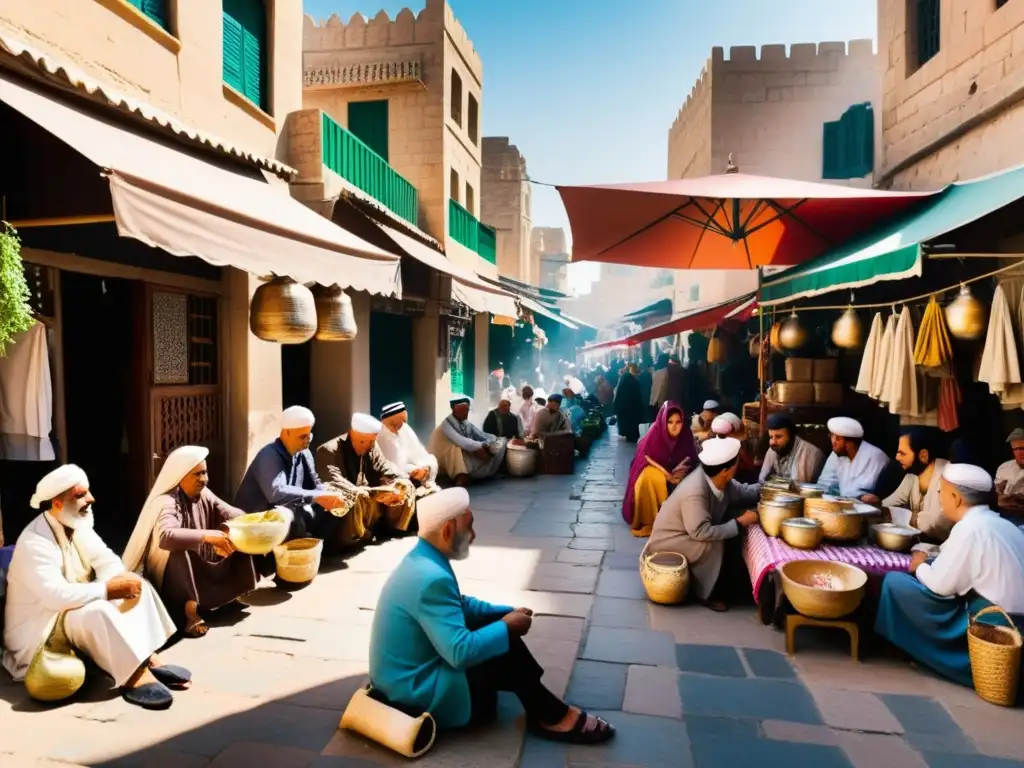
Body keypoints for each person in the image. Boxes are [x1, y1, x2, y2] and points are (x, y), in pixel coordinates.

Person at [368, 487, 615, 743]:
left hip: (403, 678)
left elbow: (460, 604)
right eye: (469, 527)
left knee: (497, 631)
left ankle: (536, 696)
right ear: (447, 531)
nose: (473, 535)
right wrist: (507, 627)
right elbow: (459, 652)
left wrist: (505, 613)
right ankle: (550, 714)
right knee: (503, 646)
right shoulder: (431, 578)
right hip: (410, 692)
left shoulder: (423, 559)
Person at [3, 465, 183, 709]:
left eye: (88, 492)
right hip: (39, 631)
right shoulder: (35, 542)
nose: (91, 499)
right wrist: (108, 591)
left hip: (67, 611)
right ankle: (133, 676)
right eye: (80, 495)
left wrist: (121, 583)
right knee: (97, 611)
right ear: (57, 503)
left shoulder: (77, 526)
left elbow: (109, 562)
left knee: (136, 584)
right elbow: (55, 597)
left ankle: (144, 655)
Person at [875, 464, 1024, 689]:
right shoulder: (1005, 525)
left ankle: (914, 648)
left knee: (895, 583)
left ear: (955, 497)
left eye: (941, 492)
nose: (939, 498)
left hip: (992, 628)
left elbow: (941, 586)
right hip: (1015, 624)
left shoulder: (970, 528)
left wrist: (920, 566)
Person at [123, 445, 277, 638]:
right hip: (169, 574)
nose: (203, 479)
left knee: (240, 532)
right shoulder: (167, 501)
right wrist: (208, 536)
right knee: (181, 551)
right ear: (181, 475)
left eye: (204, 473)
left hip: (203, 560)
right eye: (197, 474)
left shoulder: (203, 493)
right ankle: (190, 613)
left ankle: (229, 596)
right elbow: (166, 537)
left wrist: (250, 524)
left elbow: (231, 512)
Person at [647, 437, 760, 612]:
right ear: (726, 471)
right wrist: (740, 522)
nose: (739, 465)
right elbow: (699, 531)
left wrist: (770, 489)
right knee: (714, 544)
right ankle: (706, 592)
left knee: (729, 526)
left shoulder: (722, 480)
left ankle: (733, 584)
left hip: (691, 531)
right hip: (673, 541)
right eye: (736, 462)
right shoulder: (695, 490)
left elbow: (745, 492)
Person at [233, 406, 349, 545]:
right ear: (285, 433)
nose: (307, 441)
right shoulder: (268, 455)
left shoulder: (303, 453)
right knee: (289, 514)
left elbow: (315, 484)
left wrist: (330, 496)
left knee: (334, 510)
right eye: (302, 437)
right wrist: (316, 497)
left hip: (292, 510)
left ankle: (316, 549)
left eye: (309, 436)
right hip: (259, 518)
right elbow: (276, 493)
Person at [316, 414, 416, 546]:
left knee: (404, 485)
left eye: (372, 441)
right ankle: (358, 537)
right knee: (359, 495)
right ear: (353, 433)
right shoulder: (328, 450)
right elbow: (337, 482)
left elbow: (385, 466)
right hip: (348, 499)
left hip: (369, 495)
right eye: (364, 442)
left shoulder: (371, 446)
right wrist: (374, 492)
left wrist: (399, 481)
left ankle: (395, 529)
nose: (369, 446)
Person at [862, 427, 951, 542]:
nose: (897, 457)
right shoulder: (912, 476)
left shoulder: (947, 477)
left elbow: (937, 523)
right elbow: (889, 505)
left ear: (923, 455)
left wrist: (903, 516)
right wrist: (878, 506)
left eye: (902, 454)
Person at [622, 402, 698, 537]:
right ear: (663, 422)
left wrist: (681, 470)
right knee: (649, 478)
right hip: (655, 470)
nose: (674, 427)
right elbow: (646, 458)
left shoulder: (686, 436)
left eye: (678, 422)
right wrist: (668, 475)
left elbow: (691, 459)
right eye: (670, 422)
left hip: (678, 475)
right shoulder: (654, 435)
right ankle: (650, 518)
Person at [428, 396, 507, 486]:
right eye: (464, 410)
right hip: (439, 454)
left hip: (460, 449)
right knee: (457, 448)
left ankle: (469, 474)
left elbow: (480, 435)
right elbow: (462, 442)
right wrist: (483, 445)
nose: (467, 413)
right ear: (455, 410)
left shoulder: (466, 422)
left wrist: (494, 440)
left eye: (467, 410)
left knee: (494, 444)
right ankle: (461, 477)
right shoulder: (446, 424)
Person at [816, 417, 889, 499]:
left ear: (849, 442)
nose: (833, 442)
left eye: (837, 438)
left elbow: (863, 493)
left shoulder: (875, 457)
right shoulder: (836, 455)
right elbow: (825, 485)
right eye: (832, 436)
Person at [377, 402, 440, 497]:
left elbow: (421, 455)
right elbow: (387, 468)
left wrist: (424, 470)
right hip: (393, 484)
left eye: (404, 421)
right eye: (394, 424)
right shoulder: (378, 435)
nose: (403, 425)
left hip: (412, 477)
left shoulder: (404, 429)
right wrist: (410, 473)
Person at [758, 414, 825, 485]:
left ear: (791, 436)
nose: (773, 442)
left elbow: (800, 487)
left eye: (778, 437)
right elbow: (762, 481)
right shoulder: (773, 450)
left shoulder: (811, 453)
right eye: (771, 437)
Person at [995, 428, 1024, 520]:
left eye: (1023, 448)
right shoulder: (1004, 468)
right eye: (1016, 449)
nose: (1020, 452)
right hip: (1005, 515)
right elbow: (997, 491)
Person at [613, 364, 645, 442]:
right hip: (631, 409)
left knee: (629, 427)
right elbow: (637, 396)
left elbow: (618, 395)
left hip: (624, 409)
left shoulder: (623, 378)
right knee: (632, 428)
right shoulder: (631, 380)